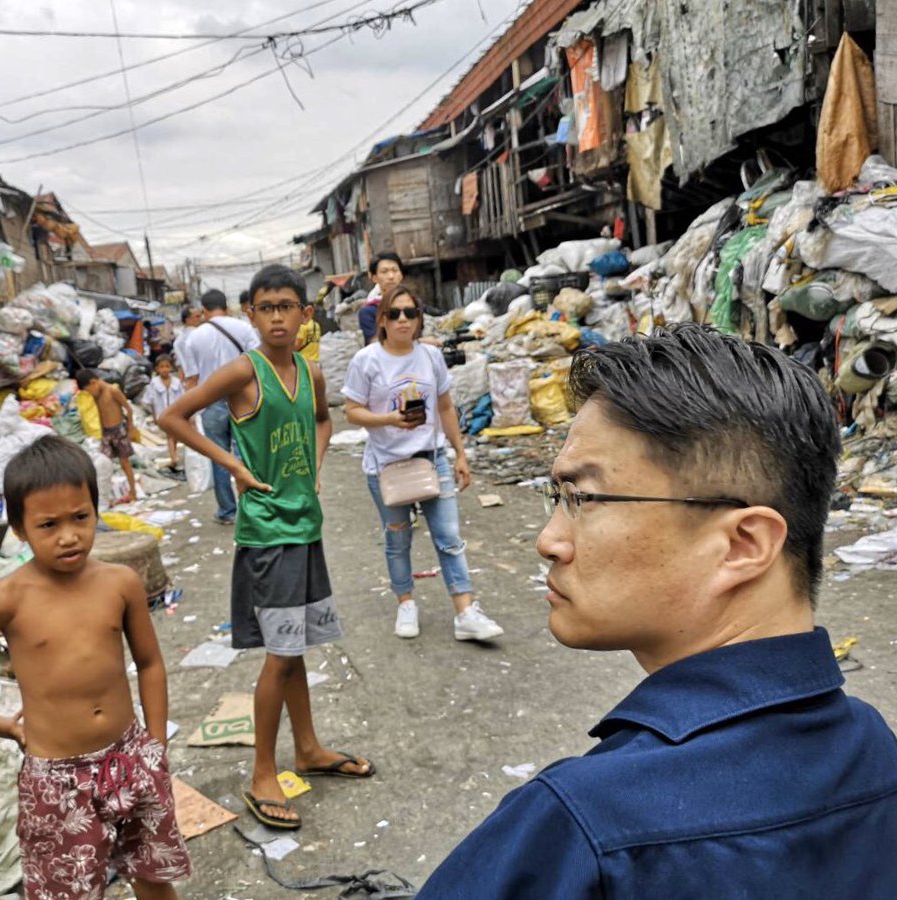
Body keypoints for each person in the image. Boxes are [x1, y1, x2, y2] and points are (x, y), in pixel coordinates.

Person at [421, 324, 897, 898]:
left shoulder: (583, 828)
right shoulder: (875, 749)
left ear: (743, 545)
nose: (549, 540)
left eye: (583, 498)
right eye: (557, 499)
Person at [159, 264, 374, 830]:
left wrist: (315, 463)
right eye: (266, 307)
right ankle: (262, 774)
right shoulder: (242, 372)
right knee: (280, 656)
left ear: (306, 314)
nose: (277, 316)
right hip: (268, 535)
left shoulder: (311, 373)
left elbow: (323, 423)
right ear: (250, 315)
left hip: (306, 526)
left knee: (297, 645)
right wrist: (232, 464)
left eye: (287, 306)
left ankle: (308, 749)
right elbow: (172, 417)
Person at [0, 435, 190, 900]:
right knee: (67, 890)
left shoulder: (121, 583)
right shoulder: (8, 598)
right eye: (48, 524)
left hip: (129, 755)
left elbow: (150, 663)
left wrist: (154, 740)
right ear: (19, 529)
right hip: (56, 777)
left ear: (97, 508)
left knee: (151, 873)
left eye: (80, 518)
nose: (68, 535)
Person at [343, 286, 503, 643]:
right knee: (398, 542)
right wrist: (390, 420)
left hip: (432, 461)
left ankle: (465, 612)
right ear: (382, 319)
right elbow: (351, 411)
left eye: (410, 313)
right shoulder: (366, 360)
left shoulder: (430, 356)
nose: (403, 320)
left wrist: (460, 454)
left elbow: (445, 406)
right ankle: (406, 604)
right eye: (395, 313)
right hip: (386, 467)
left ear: (419, 319)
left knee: (449, 538)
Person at [181, 289, 261, 524]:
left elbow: (191, 379)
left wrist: (189, 414)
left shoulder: (193, 338)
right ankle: (252, 506)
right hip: (243, 399)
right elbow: (259, 364)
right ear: (226, 306)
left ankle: (228, 511)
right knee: (247, 453)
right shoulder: (243, 328)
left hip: (210, 403)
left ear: (204, 311)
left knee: (220, 456)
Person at [77, 368, 138, 503]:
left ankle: (133, 492)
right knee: (104, 463)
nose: (89, 393)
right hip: (105, 432)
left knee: (125, 462)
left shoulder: (113, 391)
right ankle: (106, 497)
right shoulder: (95, 395)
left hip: (118, 430)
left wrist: (131, 427)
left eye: (88, 390)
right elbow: (95, 411)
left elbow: (128, 408)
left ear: (93, 382)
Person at [142, 354, 185, 470]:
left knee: (174, 435)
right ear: (157, 369)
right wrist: (155, 415)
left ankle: (174, 456)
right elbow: (150, 400)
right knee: (170, 436)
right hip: (163, 415)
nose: (165, 369)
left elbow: (182, 398)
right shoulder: (154, 383)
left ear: (171, 368)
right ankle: (173, 458)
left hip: (176, 414)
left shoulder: (176, 382)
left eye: (167, 366)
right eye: (162, 367)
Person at [358, 252, 405, 345]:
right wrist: (418, 342)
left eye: (395, 270)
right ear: (374, 278)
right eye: (384, 271)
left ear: (401, 275)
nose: (391, 276)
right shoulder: (369, 312)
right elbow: (376, 342)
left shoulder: (414, 304)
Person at [173, 305, 202, 381]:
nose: (200, 319)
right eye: (197, 316)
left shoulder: (178, 341)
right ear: (187, 319)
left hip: (191, 381)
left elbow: (181, 367)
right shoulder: (200, 335)